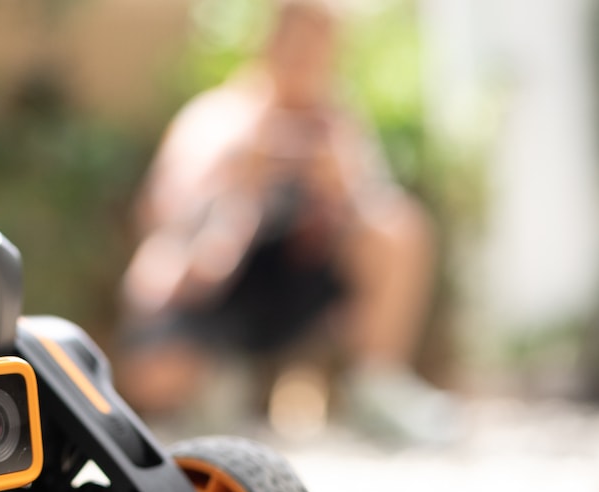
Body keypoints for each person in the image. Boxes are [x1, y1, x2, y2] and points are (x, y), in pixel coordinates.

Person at [117, 0, 458, 445]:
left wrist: (342, 191)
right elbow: (160, 219)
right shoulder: (219, 117)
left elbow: (377, 218)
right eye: (300, 45)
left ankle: (377, 382)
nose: (310, 60)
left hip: (292, 286)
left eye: (322, 48)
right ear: (271, 43)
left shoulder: (335, 126)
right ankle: (212, 380)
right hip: (216, 284)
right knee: (156, 378)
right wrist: (239, 182)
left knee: (398, 224)